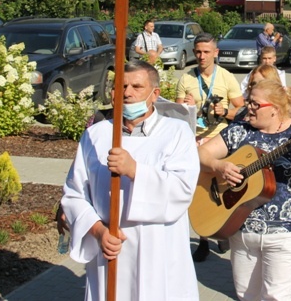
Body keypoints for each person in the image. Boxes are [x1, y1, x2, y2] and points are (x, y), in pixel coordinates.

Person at [61, 60, 200, 300]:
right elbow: (75, 194)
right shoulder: (96, 135)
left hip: (158, 249)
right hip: (111, 247)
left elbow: (182, 189)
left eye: (137, 86)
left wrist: (135, 170)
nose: (127, 93)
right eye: (121, 86)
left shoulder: (176, 133)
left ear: (155, 94)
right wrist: (98, 231)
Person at [198, 79, 291, 300]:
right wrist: (219, 166)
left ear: (275, 109)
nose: (248, 107)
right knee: (245, 294)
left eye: (255, 104)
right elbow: (200, 154)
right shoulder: (239, 130)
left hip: (285, 232)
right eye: (249, 101)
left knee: (276, 296)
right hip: (241, 228)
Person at [175, 32, 244, 261]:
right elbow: (176, 114)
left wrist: (225, 112)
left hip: (219, 141)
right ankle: (204, 239)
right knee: (200, 191)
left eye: (206, 52)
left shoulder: (226, 77)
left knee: (221, 187)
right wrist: (186, 106)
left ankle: (222, 230)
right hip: (194, 142)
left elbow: (242, 111)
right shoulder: (187, 78)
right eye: (198, 52)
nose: (201, 56)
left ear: (215, 53)